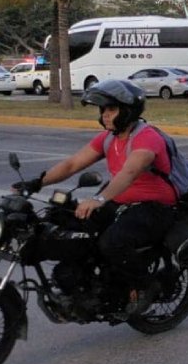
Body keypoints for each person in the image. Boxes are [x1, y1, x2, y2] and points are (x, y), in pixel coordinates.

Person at [13, 79, 177, 315]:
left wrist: (99, 199)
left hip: (155, 207)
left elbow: (129, 173)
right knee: (67, 227)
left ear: (127, 111)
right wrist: (37, 183)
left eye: (111, 109)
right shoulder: (108, 138)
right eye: (103, 110)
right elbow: (72, 164)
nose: (105, 115)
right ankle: (84, 284)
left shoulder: (147, 138)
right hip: (119, 202)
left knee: (112, 242)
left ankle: (145, 286)